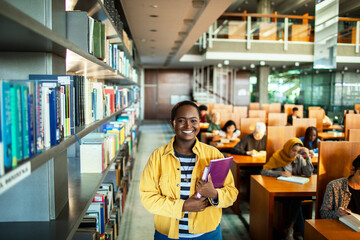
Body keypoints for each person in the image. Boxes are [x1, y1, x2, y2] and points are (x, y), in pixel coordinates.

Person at [139, 100, 238, 240]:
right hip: (167, 235)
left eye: (193, 120)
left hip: (208, 234)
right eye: (181, 120)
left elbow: (232, 193)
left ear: (199, 122)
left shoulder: (214, 155)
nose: (188, 126)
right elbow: (148, 198)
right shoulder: (158, 157)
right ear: (172, 123)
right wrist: (183, 206)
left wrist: (214, 194)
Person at [261, 138, 314, 240]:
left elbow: (308, 173)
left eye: (298, 151)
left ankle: (290, 228)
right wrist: (280, 173)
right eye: (293, 150)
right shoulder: (278, 156)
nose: (295, 153)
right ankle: (298, 232)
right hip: (280, 193)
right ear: (288, 148)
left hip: (295, 192)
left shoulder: (299, 159)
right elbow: (264, 171)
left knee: (296, 201)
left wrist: (307, 157)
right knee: (297, 203)